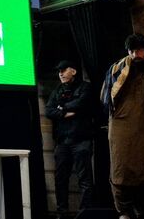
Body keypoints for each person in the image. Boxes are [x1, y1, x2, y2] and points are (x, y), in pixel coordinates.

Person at [101, 34, 144, 219]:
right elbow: (105, 97)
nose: (135, 55)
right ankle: (124, 212)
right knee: (121, 172)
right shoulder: (117, 69)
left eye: (139, 50)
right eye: (131, 51)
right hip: (121, 128)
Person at [45, 60, 94, 217]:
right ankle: (62, 213)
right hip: (62, 141)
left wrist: (62, 107)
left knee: (84, 179)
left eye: (64, 70)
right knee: (60, 179)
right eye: (59, 71)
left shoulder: (85, 87)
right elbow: (48, 111)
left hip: (81, 140)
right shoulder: (57, 90)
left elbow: (82, 103)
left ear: (73, 71)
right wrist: (64, 113)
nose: (60, 73)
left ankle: (85, 213)